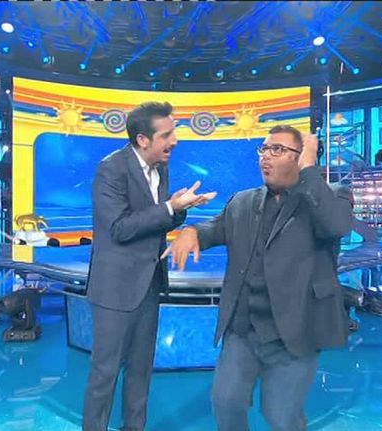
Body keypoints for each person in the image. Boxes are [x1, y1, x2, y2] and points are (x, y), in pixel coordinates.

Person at [162, 125, 354, 431]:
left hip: (294, 330)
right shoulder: (243, 201)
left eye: (277, 150)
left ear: (300, 156)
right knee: (226, 402)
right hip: (243, 329)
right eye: (264, 149)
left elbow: (336, 226)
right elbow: (215, 228)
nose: (266, 156)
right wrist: (192, 232)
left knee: (280, 417)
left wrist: (309, 169)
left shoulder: (331, 196)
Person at [83, 101, 216, 431]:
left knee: (141, 370)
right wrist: (170, 207)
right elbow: (120, 228)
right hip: (115, 289)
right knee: (105, 373)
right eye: (167, 135)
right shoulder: (111, 170)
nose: (175, 141)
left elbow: (157, 222)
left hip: (149, 284)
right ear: (143, 140)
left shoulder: (161, 167)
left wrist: (180, 208)